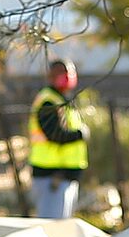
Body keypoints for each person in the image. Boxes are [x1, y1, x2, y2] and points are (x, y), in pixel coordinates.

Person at [29, 59, 88, 218]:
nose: (67, 77)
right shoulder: (48, 102)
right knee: (51, 230)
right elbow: (56, 135)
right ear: (50, 76)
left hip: (63, 177)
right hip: (52, 176)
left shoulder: (62, 101)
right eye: (62, 73)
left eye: (69, 72)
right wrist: (80, 134)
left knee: (62, 231)